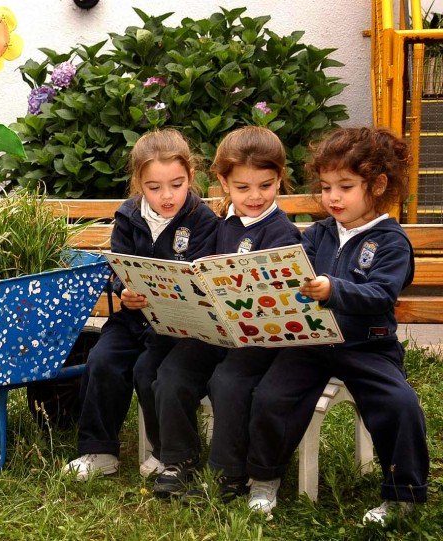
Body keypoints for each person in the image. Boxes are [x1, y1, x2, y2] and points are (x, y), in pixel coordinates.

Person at [246, 127, 429, 525]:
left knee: (400, 405)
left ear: (377, 185)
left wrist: (334, 289)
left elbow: (381, 295)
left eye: (345, 187)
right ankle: (263, 480)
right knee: (270, 396)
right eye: (327, 187)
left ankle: (403, 495)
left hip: (367, 346)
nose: (333, 197)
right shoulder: (320, 233)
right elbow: (296, 275)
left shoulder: (391, 241)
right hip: (311, 343)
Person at [151, 126, 300, 500]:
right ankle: (178, 460)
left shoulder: (283, 233)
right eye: (243, 187)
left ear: (279, 178)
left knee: (228, 381)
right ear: (223, 182)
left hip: (260, 340)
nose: (255, 196)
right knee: (172, 372)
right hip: (216, 332)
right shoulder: (223, 224)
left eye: (265, 186)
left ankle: (228, 473)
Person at [61, 128, 219, 480]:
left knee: (150, 370)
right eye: (154, 187)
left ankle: (165, 452)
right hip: (133, 317)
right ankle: (99, 450)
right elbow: (120, 268)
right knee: (102, 360)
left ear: (191, 175)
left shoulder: (202, 220)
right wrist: (124, 291)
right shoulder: (129, 215)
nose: (167, 196)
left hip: (175, 327)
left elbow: (202, 277)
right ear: (138, 183)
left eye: (176, 184)